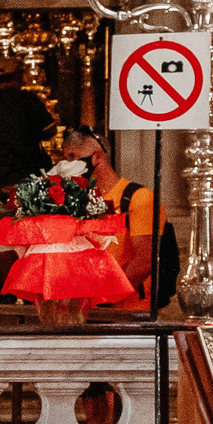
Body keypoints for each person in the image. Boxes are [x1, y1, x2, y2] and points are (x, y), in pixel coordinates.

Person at [62, 128, 166, 309]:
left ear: (96, 157)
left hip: (128, 311)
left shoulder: (139, 197)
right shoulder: (80, 201)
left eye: (73, 156)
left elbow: (143, 261)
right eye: (66, 159)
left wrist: (105, 299)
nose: (67, 165)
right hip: (89, 309)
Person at [0, 65, 57, 215]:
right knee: (27, 235)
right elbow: (50, 130)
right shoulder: (28, 101)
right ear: (18, 78)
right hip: (27, 182)